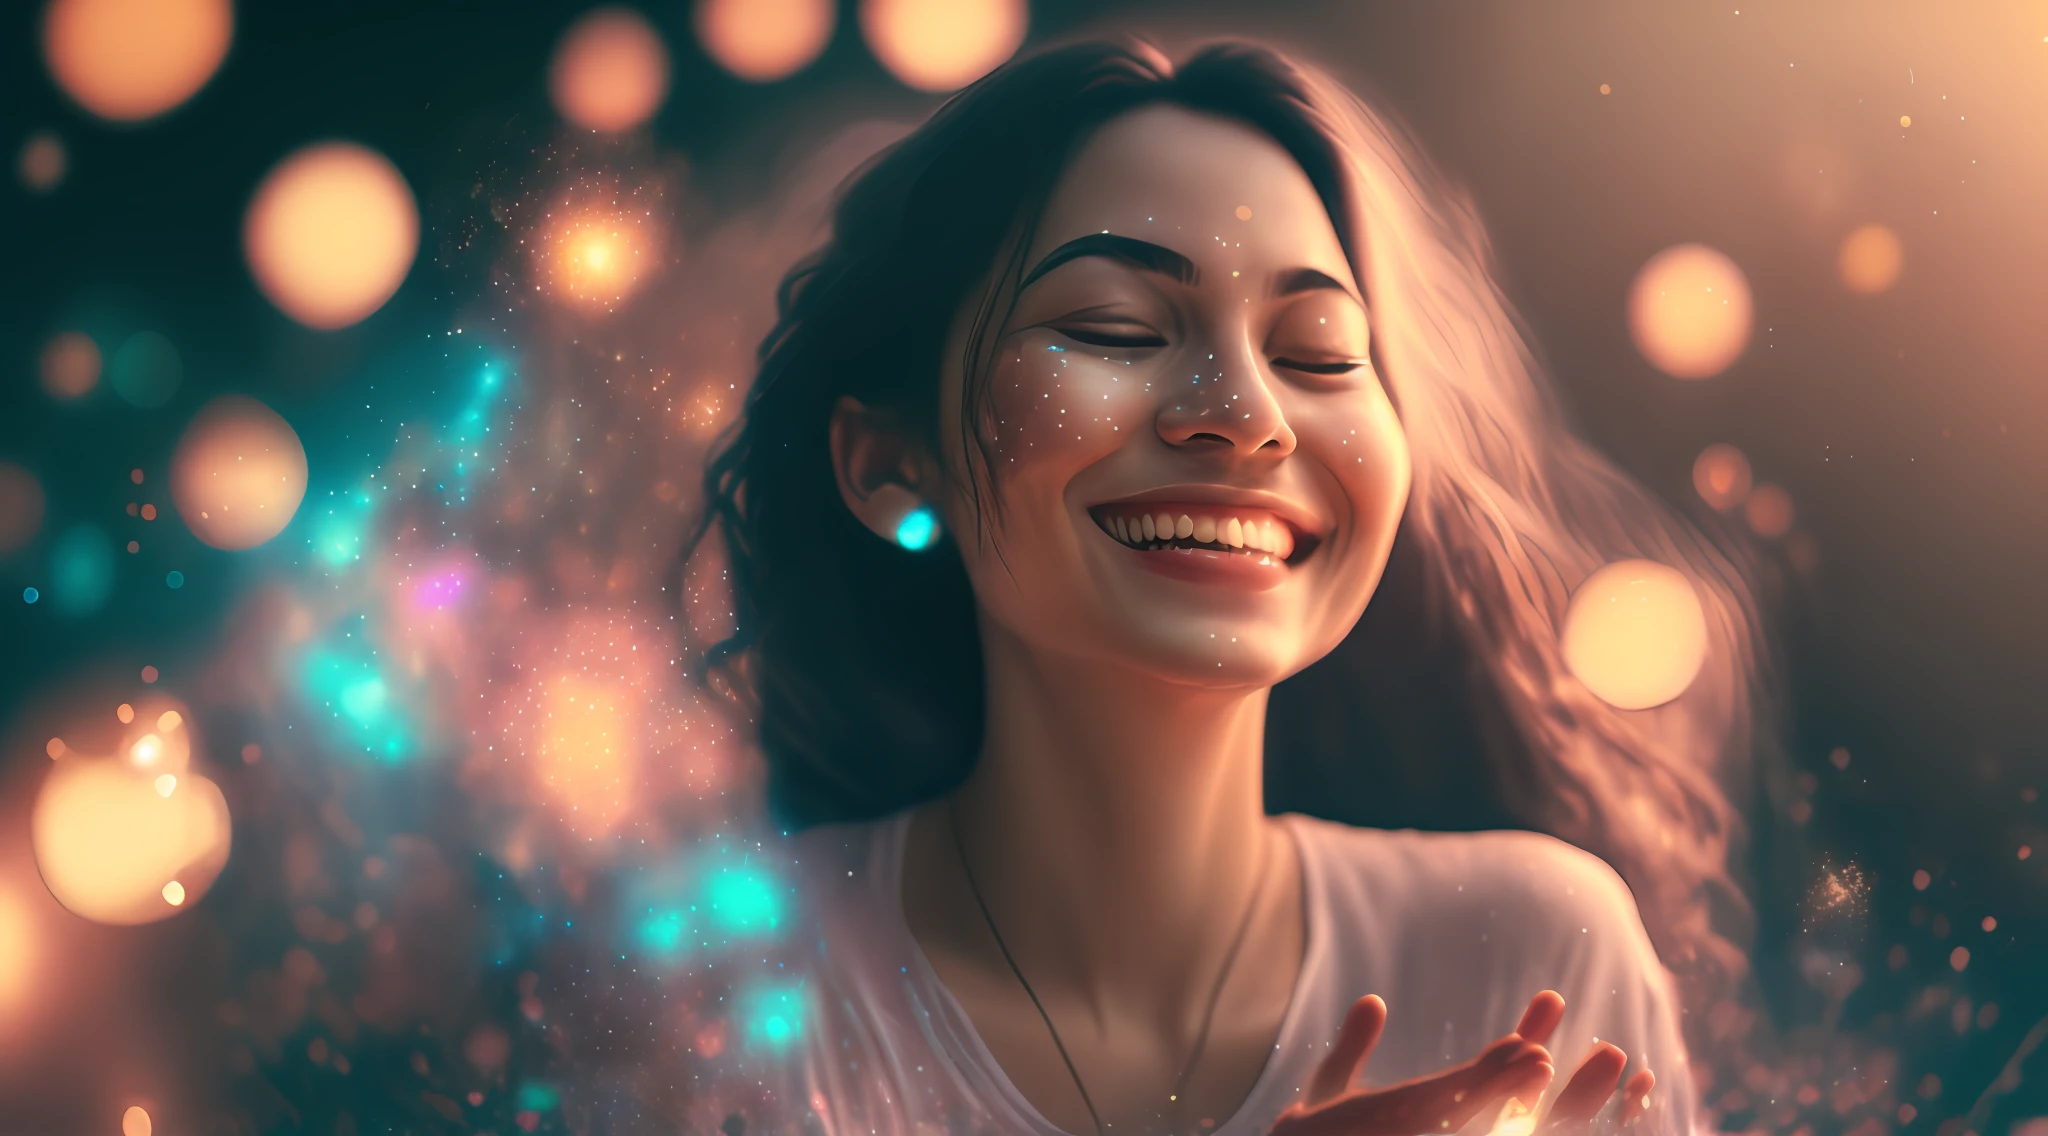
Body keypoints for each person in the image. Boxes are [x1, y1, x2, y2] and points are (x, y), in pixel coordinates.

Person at [691, 35, 1766, 1136]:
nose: (1245, 414)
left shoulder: (1534, 952)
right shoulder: (712, 984)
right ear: (886, 462)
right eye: (1113, 327)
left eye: (1315, 353)